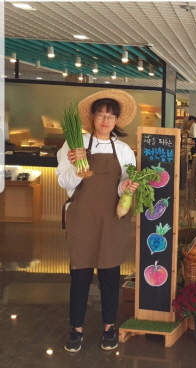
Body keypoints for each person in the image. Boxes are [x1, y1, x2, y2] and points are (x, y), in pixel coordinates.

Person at [56, 89, 138, 353]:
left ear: (117, 121)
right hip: (82, 217)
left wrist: (127, 185)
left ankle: (109, 328)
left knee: (110, 274)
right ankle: (76, 330)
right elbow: (64, 182)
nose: (106, 120)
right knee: (80, 274)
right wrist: (78, 168)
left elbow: (123, 186)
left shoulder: (124, 150)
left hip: (113, 218)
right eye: (101, 114)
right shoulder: (74, 144)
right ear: (92, 117)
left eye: (111, 116)